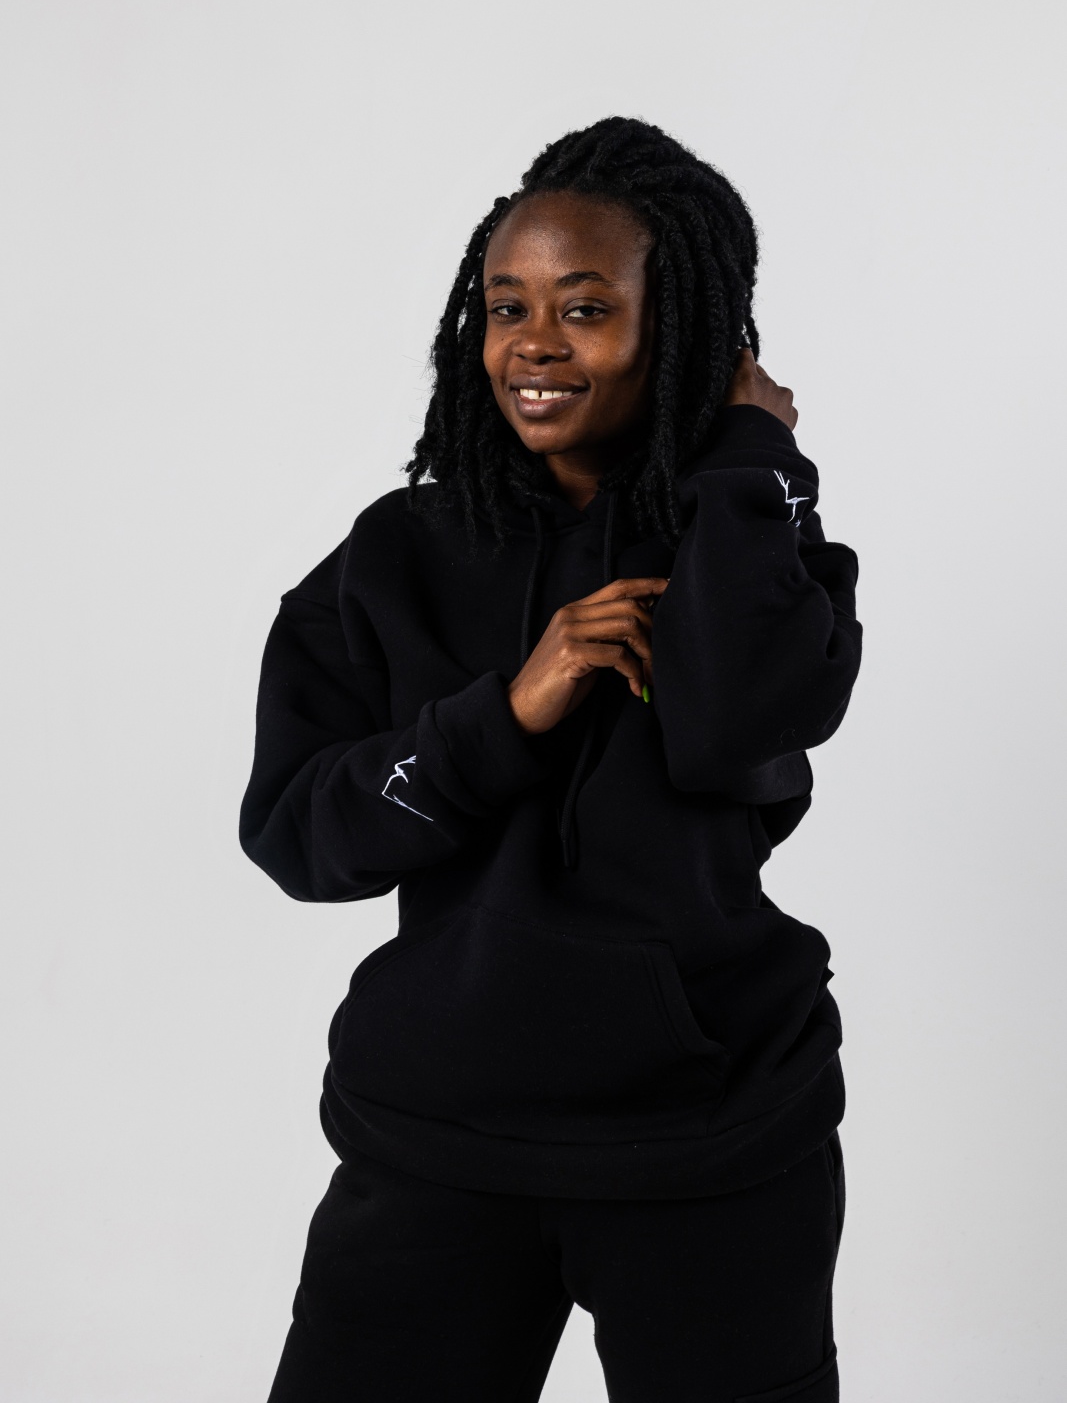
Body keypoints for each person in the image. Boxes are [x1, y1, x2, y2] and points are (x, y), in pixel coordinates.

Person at [239, 116, 862, 1402]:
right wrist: (505, 713)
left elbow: (742, 723)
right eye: (505, 306)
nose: (532, 343)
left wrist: (753, 463)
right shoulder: (395, 556)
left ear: (678, 328)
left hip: (713, 1142)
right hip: (435, 1142)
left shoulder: (744, 533)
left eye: (584, 308)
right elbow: (302, 836)